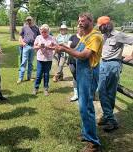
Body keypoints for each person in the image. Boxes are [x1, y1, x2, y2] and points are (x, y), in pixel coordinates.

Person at [56, 13, 103, 152]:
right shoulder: (84, 36)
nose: (80, 23)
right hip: (82, 73)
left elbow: (84, 55)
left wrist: (65, 49)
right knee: (82, 104)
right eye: (79, 21)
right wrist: (61, 46)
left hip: (89, 73)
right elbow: (76, 50)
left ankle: (93, 142)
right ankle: (86, 133)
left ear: (91, 21)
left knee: (86, 106)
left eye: (83, 20)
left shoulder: (95, 36)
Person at [97, 16, 133, 132]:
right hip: (103, 64)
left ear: (106, 25)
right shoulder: (104, 35)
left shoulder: (118, 35)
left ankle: (110, 120)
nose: (99, 28)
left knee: (110, 93)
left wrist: (131, 56)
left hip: (113, 65)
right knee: (102, 91)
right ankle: (108, 116)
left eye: (100, 26)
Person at [33, 24, 56, 96]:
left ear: (48, 31)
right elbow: (34, 47)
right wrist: (39, 46)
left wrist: (49, 47)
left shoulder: (52, 38)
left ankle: (46, 89)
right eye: (42, 32)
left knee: (46, 74)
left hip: (48, 59)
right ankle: (36, 88)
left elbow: (56, 47)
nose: (43, 33)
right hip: (40, 59)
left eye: (45, 32)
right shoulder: (38, 37)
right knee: (38, 74)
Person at [17, 16, 40, 84]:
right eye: (27, 20)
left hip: (33, 46)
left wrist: (37, 45)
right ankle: (20, 78)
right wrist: (23, 43)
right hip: (26, 46)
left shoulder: (36, 28)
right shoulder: (24, 27)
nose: (29, 21)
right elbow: (20, 36)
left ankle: (29, 77)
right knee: (24, 62)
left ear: (32, 20)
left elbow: (39, 37)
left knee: (30, 63)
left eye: (30, 20)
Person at [68, 27, 83, 101]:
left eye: (82, 28)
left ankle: (83, 93)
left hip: (83, 61)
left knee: (83, 77)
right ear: (77, 29)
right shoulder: (72, 37)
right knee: (75, 76)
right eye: (79, 28)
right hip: (72, 60)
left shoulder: (86, 37)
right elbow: (68, 47)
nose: (80, 29)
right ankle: (76, 94)